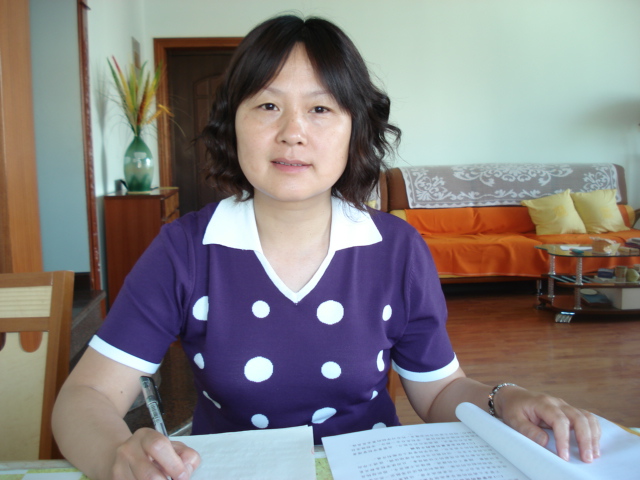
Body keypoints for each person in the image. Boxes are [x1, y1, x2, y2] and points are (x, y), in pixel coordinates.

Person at [52, 14, 601, 480]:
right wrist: (115, 455)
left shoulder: (395, 249)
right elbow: (85, 397)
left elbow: (438, 393)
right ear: (232, 124)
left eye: (320, 109)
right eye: (267, 106)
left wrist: (503, 399)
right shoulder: (186, 249)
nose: (293, 132)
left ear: (354, 129)